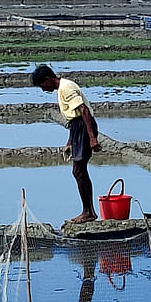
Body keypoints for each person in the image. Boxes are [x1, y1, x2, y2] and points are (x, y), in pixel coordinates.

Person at [30, 64, 100, 223]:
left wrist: (92, 137)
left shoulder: (66, 87)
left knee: (79, 170)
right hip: (78, 128)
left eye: (42, 86)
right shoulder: (62, 89)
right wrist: (70, 141)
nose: (43, 90)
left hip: (83, 127)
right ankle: (88, 211)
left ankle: (88, 212)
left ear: (48, 79)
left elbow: (84, 111)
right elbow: (73, 118)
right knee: (78, 171)